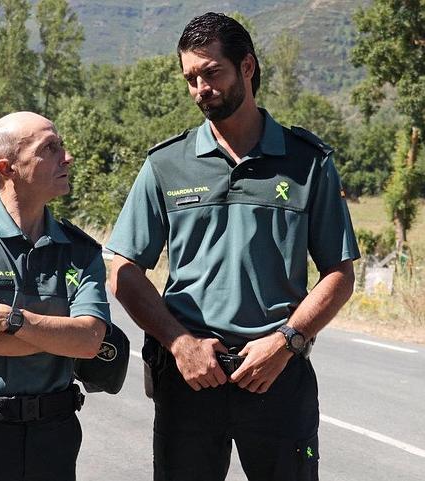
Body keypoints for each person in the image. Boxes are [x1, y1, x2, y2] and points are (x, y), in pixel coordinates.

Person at [107, 12, 359, 481]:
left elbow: (340, 275)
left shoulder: (308, 162)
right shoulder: (167, 163)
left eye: (212, 72)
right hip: (190, 378)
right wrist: (180, 344)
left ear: (247, 66)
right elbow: (122, 269)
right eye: (190, 78)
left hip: (277, 374)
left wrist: (286, 342)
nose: (201, 87)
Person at [0, 111, 111, 481]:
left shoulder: (80, 250)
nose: (68, 156)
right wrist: (61, 335)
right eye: (51, 147)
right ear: (7, 167)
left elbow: (91, 340)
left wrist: (9, 319)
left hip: (54, 438)